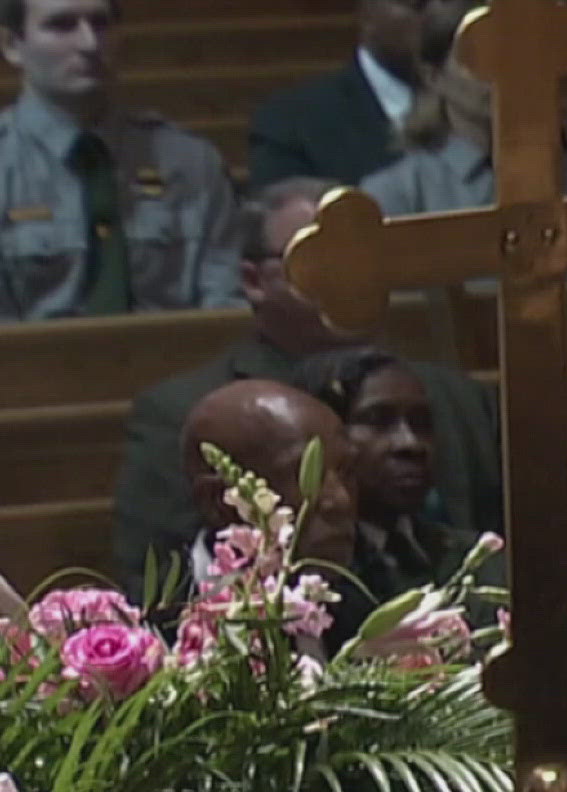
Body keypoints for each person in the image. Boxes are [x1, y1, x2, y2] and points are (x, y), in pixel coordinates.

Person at [110, 177, 502, 594]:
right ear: (253, 280)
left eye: (363, 258)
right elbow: (158, 588)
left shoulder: (460, 399)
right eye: (317, 260)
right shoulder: (185, 410)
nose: (349, 277)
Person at [0, 0, 241, 318]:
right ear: (12, 45)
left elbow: (225, 305)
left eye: (100, 24)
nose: (89, 43)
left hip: (178, 361)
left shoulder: (191, 161)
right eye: (62, 25)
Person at [356, 0, 567, 222]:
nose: (499, 72)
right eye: (476, 57)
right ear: (433, 77)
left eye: (513, 53)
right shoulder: (398, 194)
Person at [298, 346, 503, 601]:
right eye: (378, 420)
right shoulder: (306, 576)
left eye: (422, 423)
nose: (411, 444)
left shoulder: (480, 559)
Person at [180, 379, 358, 576]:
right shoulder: (160, 602)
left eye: (347, 471)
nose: (341, 500)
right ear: (220, 504)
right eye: (307, 474)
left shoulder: (379, 589)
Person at [248, 0, 426, 190]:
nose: (436, 15)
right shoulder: (290, 125)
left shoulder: (460, 108)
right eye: (418, 4)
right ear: (366, 12)